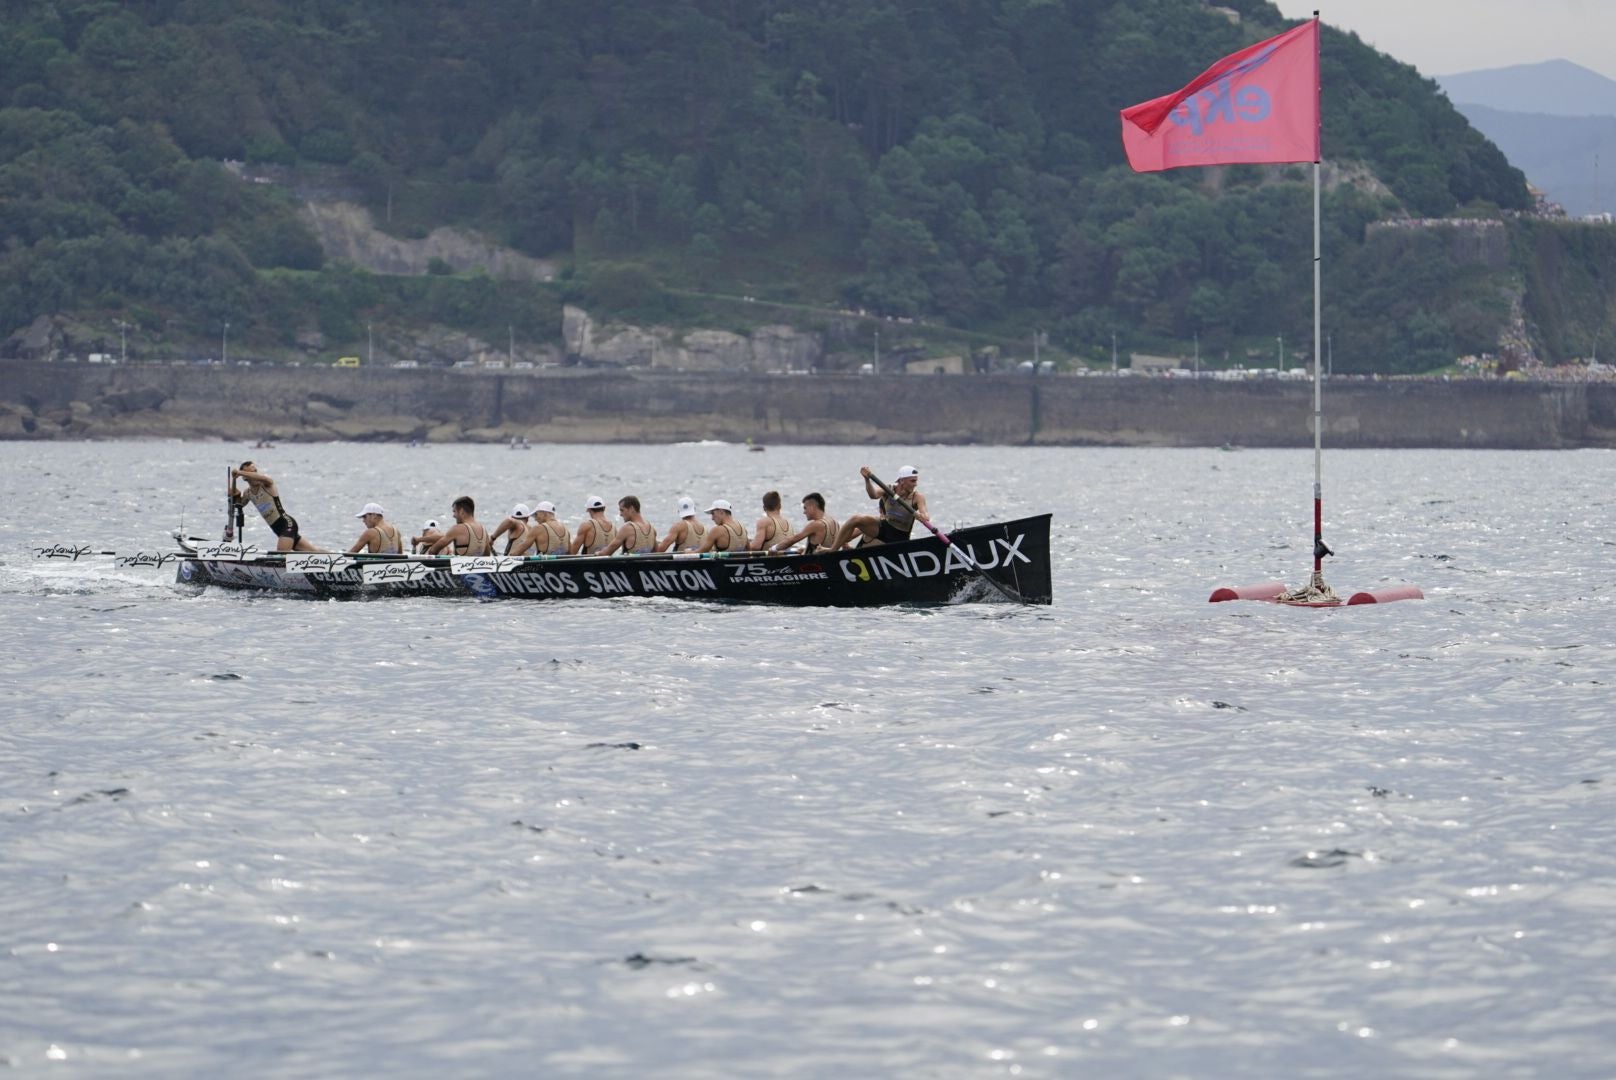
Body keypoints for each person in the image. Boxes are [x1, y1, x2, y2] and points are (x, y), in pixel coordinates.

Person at [830, 465, 929, 550]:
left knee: (869, 528)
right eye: (912, 481)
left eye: (916, 481)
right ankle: (832, 550)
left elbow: (925, 515)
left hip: (900, 536)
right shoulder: (888, 489)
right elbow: (873, 495)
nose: (915, 484)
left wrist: (922, 516)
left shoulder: (918, 497)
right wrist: (867, 480)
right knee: (856, 519)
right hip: (885, 529)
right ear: (902, 481)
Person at [230, 461, 320, 552]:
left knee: (281, 553)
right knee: (314, 552)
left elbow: (266, 479)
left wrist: (240, 473)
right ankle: (333, 559)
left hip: (286, 524)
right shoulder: (248, 493)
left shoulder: (266, 484)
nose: (255, 474)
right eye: (251, 472)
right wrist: (233, 484)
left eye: (255, 471)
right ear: (245, 478)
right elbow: (238, 504)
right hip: (277, 529)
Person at [770, 492, 839, 555]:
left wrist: (774, 548)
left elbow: (793, 539)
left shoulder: (816, 524)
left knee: (777, 553)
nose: (804, 512)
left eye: (805, 508)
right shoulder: (835, 522)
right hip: (829, 561)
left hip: (812, 565)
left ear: (812, 507)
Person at [427, 495, 492, 556]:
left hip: (460, 567)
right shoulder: (484, 530)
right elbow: (487, 555)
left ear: (461, 511)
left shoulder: (457, 529)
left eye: (454, 511)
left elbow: (433, 551)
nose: (453, 515)